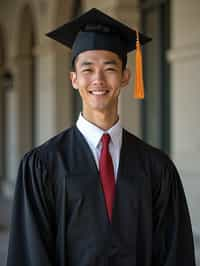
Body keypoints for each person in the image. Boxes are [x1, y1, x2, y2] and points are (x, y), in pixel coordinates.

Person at [7, 8, 196, 266]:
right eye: (87, 69)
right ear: (74, 79)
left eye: (109, 68)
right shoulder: (42, 166)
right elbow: (30, 255)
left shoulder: (157, 168)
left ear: (125, 77)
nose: (98, 79)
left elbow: (175, 253)